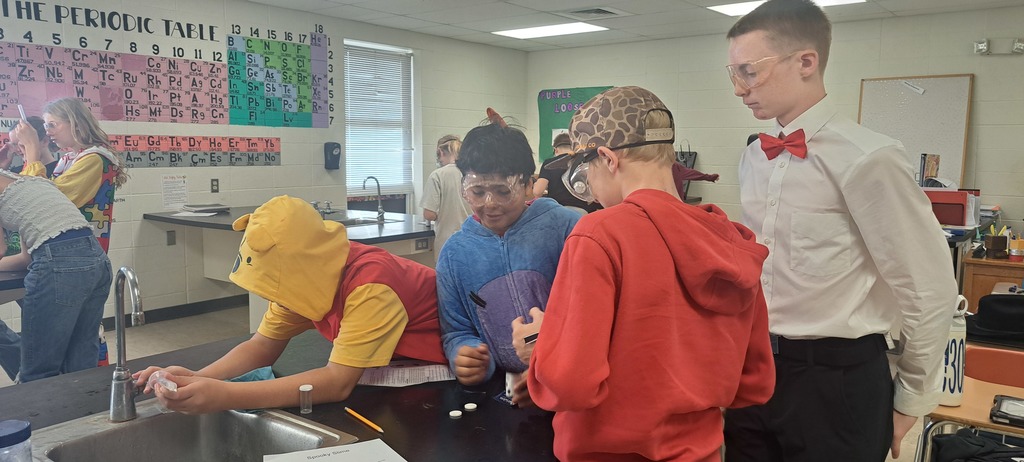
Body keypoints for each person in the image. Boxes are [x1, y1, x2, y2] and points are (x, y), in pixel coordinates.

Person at [723, 1, 958, 460]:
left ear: (806, 62)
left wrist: (912, 397)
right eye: (732, 73)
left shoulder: (869, 158)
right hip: (754, 371)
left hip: (838, 382)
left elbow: (929, 288)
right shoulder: (753, 157)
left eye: (749, 71)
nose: (738, 89)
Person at [513, 86, 775, 462]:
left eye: (584, 169)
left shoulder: (599, 234)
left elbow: (570, 384)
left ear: (607, 158)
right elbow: (755, 382)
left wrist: (539, 349)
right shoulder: (729, 237)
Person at [134, 196, 446, 414]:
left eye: (277, 287)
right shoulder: (307, 280)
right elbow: (261, 346)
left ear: (303, 269)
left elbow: (337, 383)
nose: (274, 300)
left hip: (446, 367)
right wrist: (200, 377)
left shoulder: (372, 287)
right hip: (390, 365)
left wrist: (226, 395)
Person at [435, 109, 580, 407]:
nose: (490, 205)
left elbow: (592, 316)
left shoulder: (568, 229)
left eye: (503, 191)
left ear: (528, 184)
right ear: (464, 187)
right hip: (503, 397)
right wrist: (465, 354)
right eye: (477, 192)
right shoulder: (455, 254)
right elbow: (457, 330)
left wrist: (548, 368)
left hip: (572, 388)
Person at [0, 170, 112, 382]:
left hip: (59, 266)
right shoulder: (29, 184)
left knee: (39, 372)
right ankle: (84, 414)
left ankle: (40, 415)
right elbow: (26, 259)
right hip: (98, 260)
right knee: (81, 365)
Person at [13, 98, 129, 253]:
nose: (47, 131)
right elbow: (27, 194)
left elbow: (44, 203)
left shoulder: (94, 159)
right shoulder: (68, 159)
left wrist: (32, 148)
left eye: (52, 125)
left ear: (76, 123)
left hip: (80, 254)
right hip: (69, 250)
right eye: (46, 126)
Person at [419, 134, 471, 261]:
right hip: (472, 239)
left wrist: (444, 213)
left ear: (441, 152)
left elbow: (429, 214)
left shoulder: (437, 175)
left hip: (447, 242)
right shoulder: (471, 173)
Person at [534, 133, 602, 214]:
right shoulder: (585, 161)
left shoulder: (549, 163)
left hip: (557, 211)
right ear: (574, 148)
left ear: (556, 150)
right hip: (582, 212)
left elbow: (537, 192)